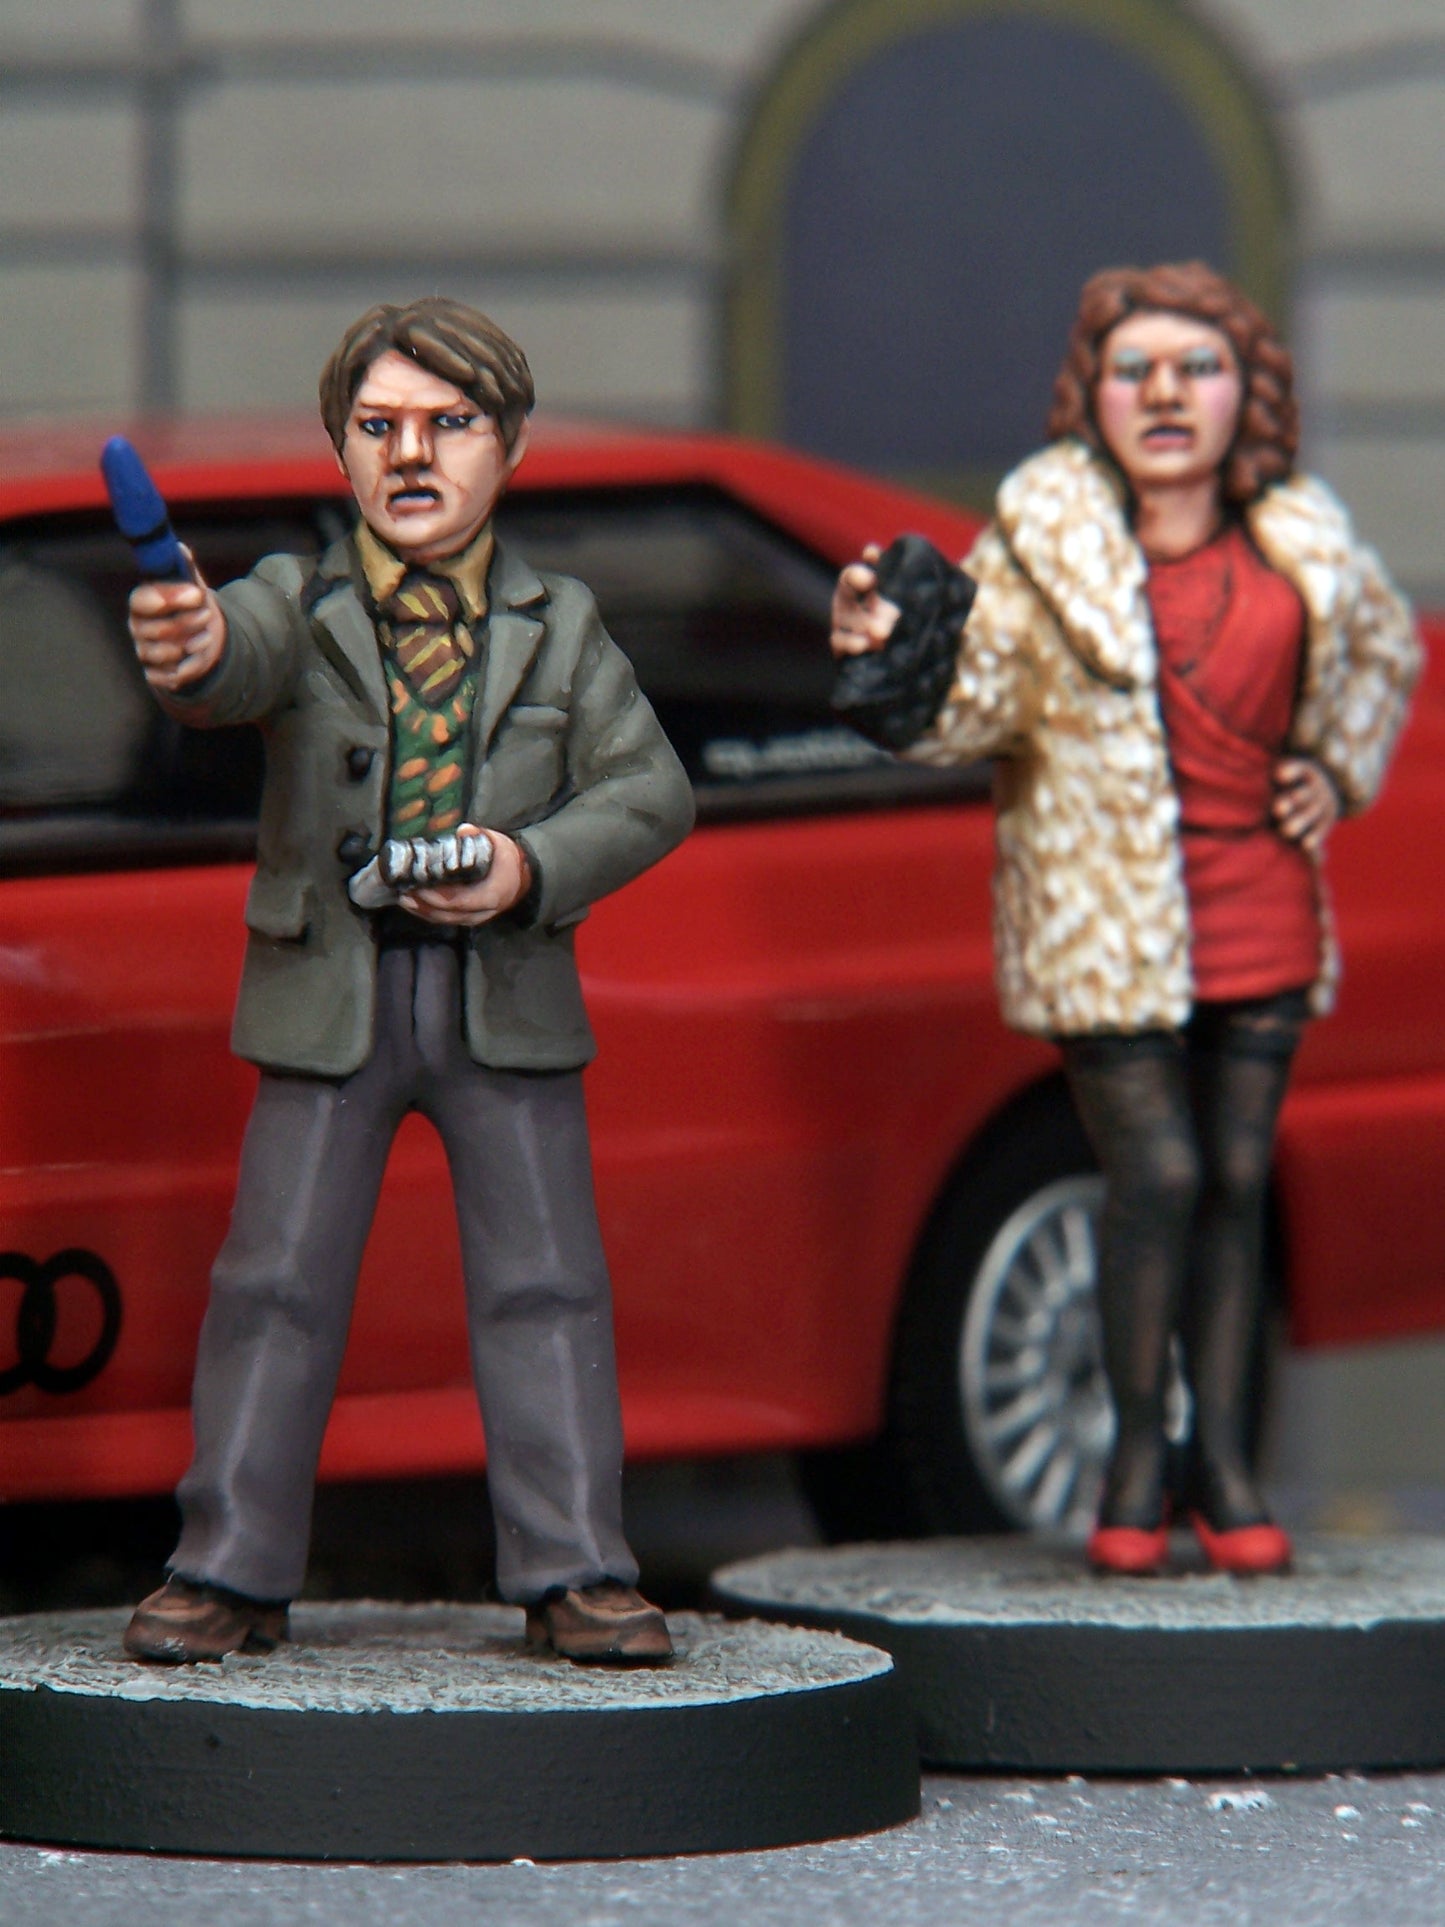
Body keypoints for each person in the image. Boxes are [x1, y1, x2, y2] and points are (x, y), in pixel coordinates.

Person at [122, 297, 694, 1661]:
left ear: (509, 446)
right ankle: (227, 1564)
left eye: (451, 424)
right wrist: (190, 640)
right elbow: (226, 664)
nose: (413, 455)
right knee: (277, 1282)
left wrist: (527, 864)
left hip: (503, 993)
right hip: (333, 996)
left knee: (545, 1284)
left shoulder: (561, 626)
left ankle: (575, 1565)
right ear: (340, 450)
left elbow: (651, 791)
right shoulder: (292, 600)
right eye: (378, 427)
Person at [830, 261, 1421, 1576]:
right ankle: (1138, 1449)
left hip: (1260, 898)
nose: (1164, 395)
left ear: (1246, 391)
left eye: (1196, 367)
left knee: (1236, 1181)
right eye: (1131, 369)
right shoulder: (1045, 544)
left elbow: (1380, 653)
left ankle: (1224, 1461)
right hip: (1105, 916)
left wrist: (1333, 767)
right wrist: (884, 652)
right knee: (1154, 1175)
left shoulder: (1303, 536)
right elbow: (972, 703)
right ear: (1087, 394)